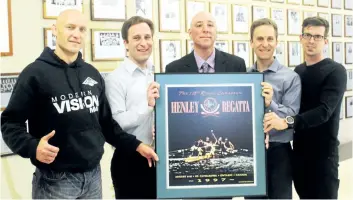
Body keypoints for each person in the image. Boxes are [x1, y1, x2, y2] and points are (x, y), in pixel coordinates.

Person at [0, 10, 158, 199]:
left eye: (82, 29)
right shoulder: (35, 74)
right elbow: (10, 123)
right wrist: (32, 147)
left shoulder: (91, 74)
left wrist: (137, 145)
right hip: (55, 181)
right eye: (70, 27)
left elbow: (107, 125)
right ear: (54, 30)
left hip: (93, 177)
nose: (76, 34)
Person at [263, 16, 347, 199]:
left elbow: (324, 111)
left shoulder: (336, 71)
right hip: (299, 154)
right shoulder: (298, 72)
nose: (311, 40)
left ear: (325, 41)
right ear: (300, 38)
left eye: (317, 36)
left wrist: (286, 122)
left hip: (324, 156)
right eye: (307, 35)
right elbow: (290, 107)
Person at [246, 18, 302, 199]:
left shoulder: (291, 77)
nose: (265, 44)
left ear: (276, 42)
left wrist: (271, 104)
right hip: (250, 151)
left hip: (280, 152)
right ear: (252, 42)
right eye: (260, 39)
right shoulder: (244, 76)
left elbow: (292, 116)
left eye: (270, 39)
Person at [104, 16, 157, 199]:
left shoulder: (157, 73)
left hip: (159, 157)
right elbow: (116, 123)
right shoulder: (115, 79)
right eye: (136, 38)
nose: (144, 43)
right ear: (126, 43)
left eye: (147, 37)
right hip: (130, 160)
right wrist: (147, 106)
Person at [165, 11, 246, 73]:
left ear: (216, 32)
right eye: (199, 25)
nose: (205, 30)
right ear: (190, 33)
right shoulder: (173, 69)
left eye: (210, 25)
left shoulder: (237, 65)